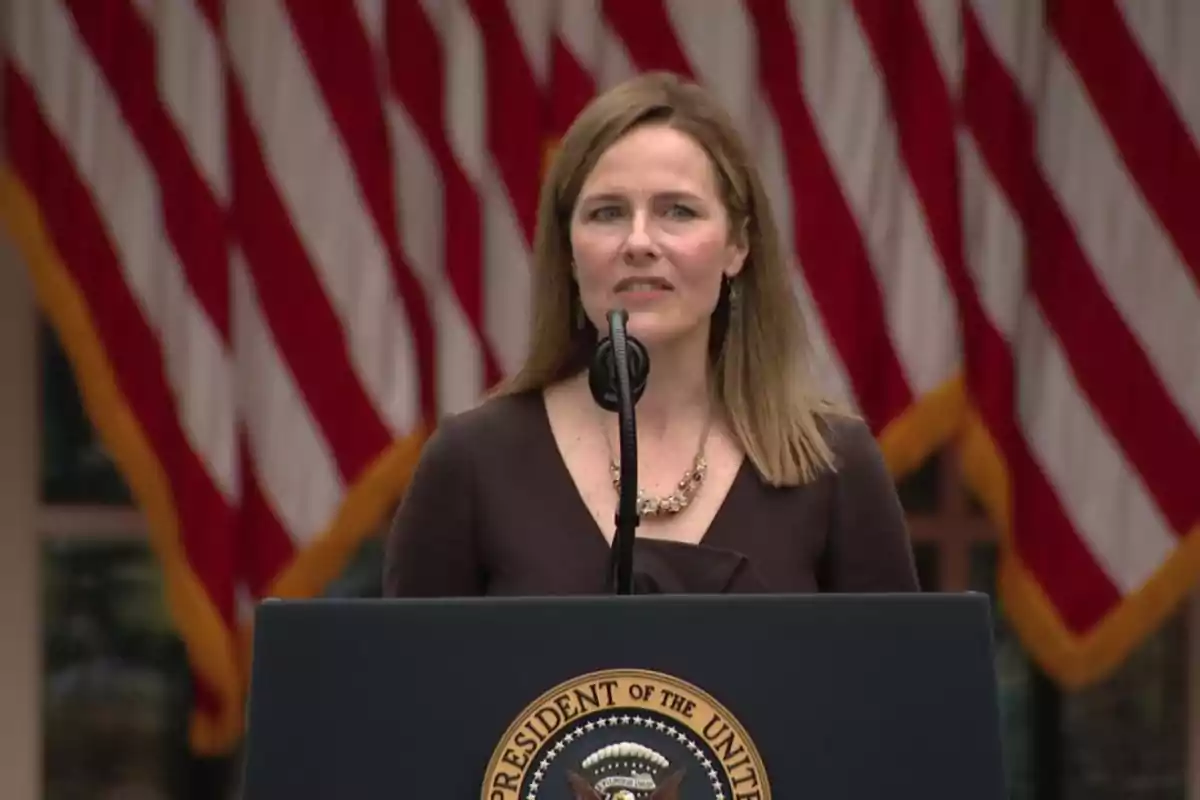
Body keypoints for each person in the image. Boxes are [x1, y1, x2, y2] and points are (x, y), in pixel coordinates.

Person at [383, 72, 919, 597]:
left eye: (677, 211)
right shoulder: (472, 463)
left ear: (737, 246)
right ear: (569, 252)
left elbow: (895, 682)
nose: (639, 242)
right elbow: (412, 683)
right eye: (608, 212)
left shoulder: (832, 465)